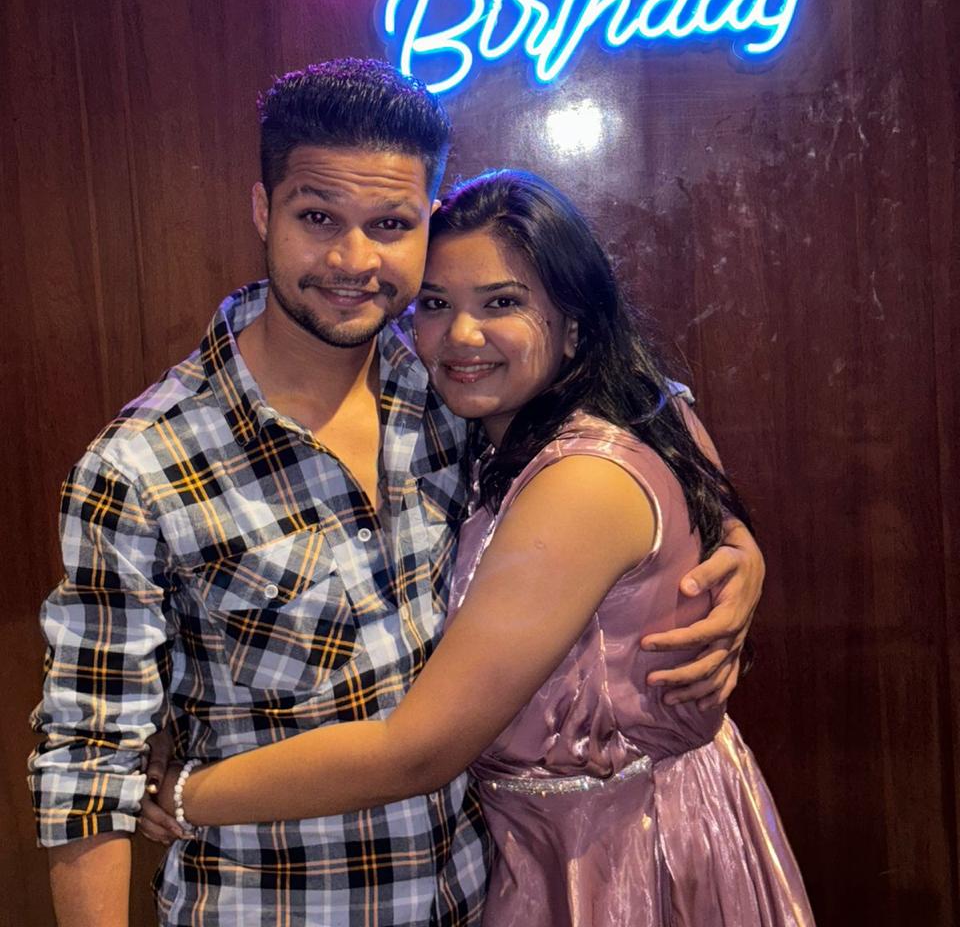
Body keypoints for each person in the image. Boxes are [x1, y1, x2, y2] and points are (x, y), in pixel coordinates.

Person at [29, 60, 765, 927]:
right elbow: (87, 769)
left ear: (425, 222)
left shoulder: (449, 388)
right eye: (316, 217)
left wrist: (734, 543)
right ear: (263, 211)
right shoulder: (142, 466)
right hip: (273, 907)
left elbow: (638, 419)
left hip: (478, 895)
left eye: (389, 224)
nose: (353, 259)